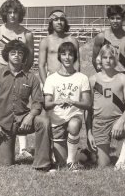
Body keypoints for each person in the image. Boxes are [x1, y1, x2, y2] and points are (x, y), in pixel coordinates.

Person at [0, 40, 52, 171]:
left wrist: (30, 116)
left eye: (20, 53)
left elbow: (38, 101)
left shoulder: (31, 78)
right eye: (13, 53)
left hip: (23, 121)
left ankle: (42, 164)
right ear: (7, 55)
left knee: (44, 122)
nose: (17, 55)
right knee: (6, 163)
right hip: (4, 125)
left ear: (24, 56)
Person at [0, 0, 34, 158]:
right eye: (9, 12)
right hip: (2, 72)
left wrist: (22, 74)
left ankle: (23, 149)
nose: (12, 15)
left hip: (19, 73)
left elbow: (31, 57)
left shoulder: (27, 33)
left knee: (20, 106)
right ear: (5, 14)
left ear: (20, 14)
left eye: (16, 12)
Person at [86, 44, 125, 169]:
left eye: (111, 57)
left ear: (115, 59)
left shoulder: (123, 78)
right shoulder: (93, 80)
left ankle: (120, 163)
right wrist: (89, 132)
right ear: (100, 59)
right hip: (100, 124)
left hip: (118, 123)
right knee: (103, 165)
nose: (108, 60)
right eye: (104, 57)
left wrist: (120, 121)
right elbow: (88, 110)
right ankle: (86, 154)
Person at [43, 42, 91, 171]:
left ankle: (72, 161)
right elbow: (46, 104)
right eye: (64, 54)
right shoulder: (51, 78)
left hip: (73, 117)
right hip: (57, 121)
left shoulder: (82, 78)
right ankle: (81, 155)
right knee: (60, 164)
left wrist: (73, 102)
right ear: (59, 56)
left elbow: (87, 104)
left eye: (71, 54)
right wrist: (56, 102)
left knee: (74, 124)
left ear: (75, 57)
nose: (67, 57)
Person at [38, 10, 81, 84]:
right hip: (52, 79)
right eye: (55, 20)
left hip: (69, 78)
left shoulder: (72, 40)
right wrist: (46, 85)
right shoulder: (45, 41)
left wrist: (74, 80)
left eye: (62, 20)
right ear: (51, 22)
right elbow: (41, 65)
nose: (59, 22)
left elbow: (76, 63)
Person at [92, 5, 125, 75]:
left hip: (122, 79)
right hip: (105, 78)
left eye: (118, 18)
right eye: (112, 18)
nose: (115, 21)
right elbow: (94, 60)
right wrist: (102, 75)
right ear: (108, 19)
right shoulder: (101, 37)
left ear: (123, 19)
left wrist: (123, 77)